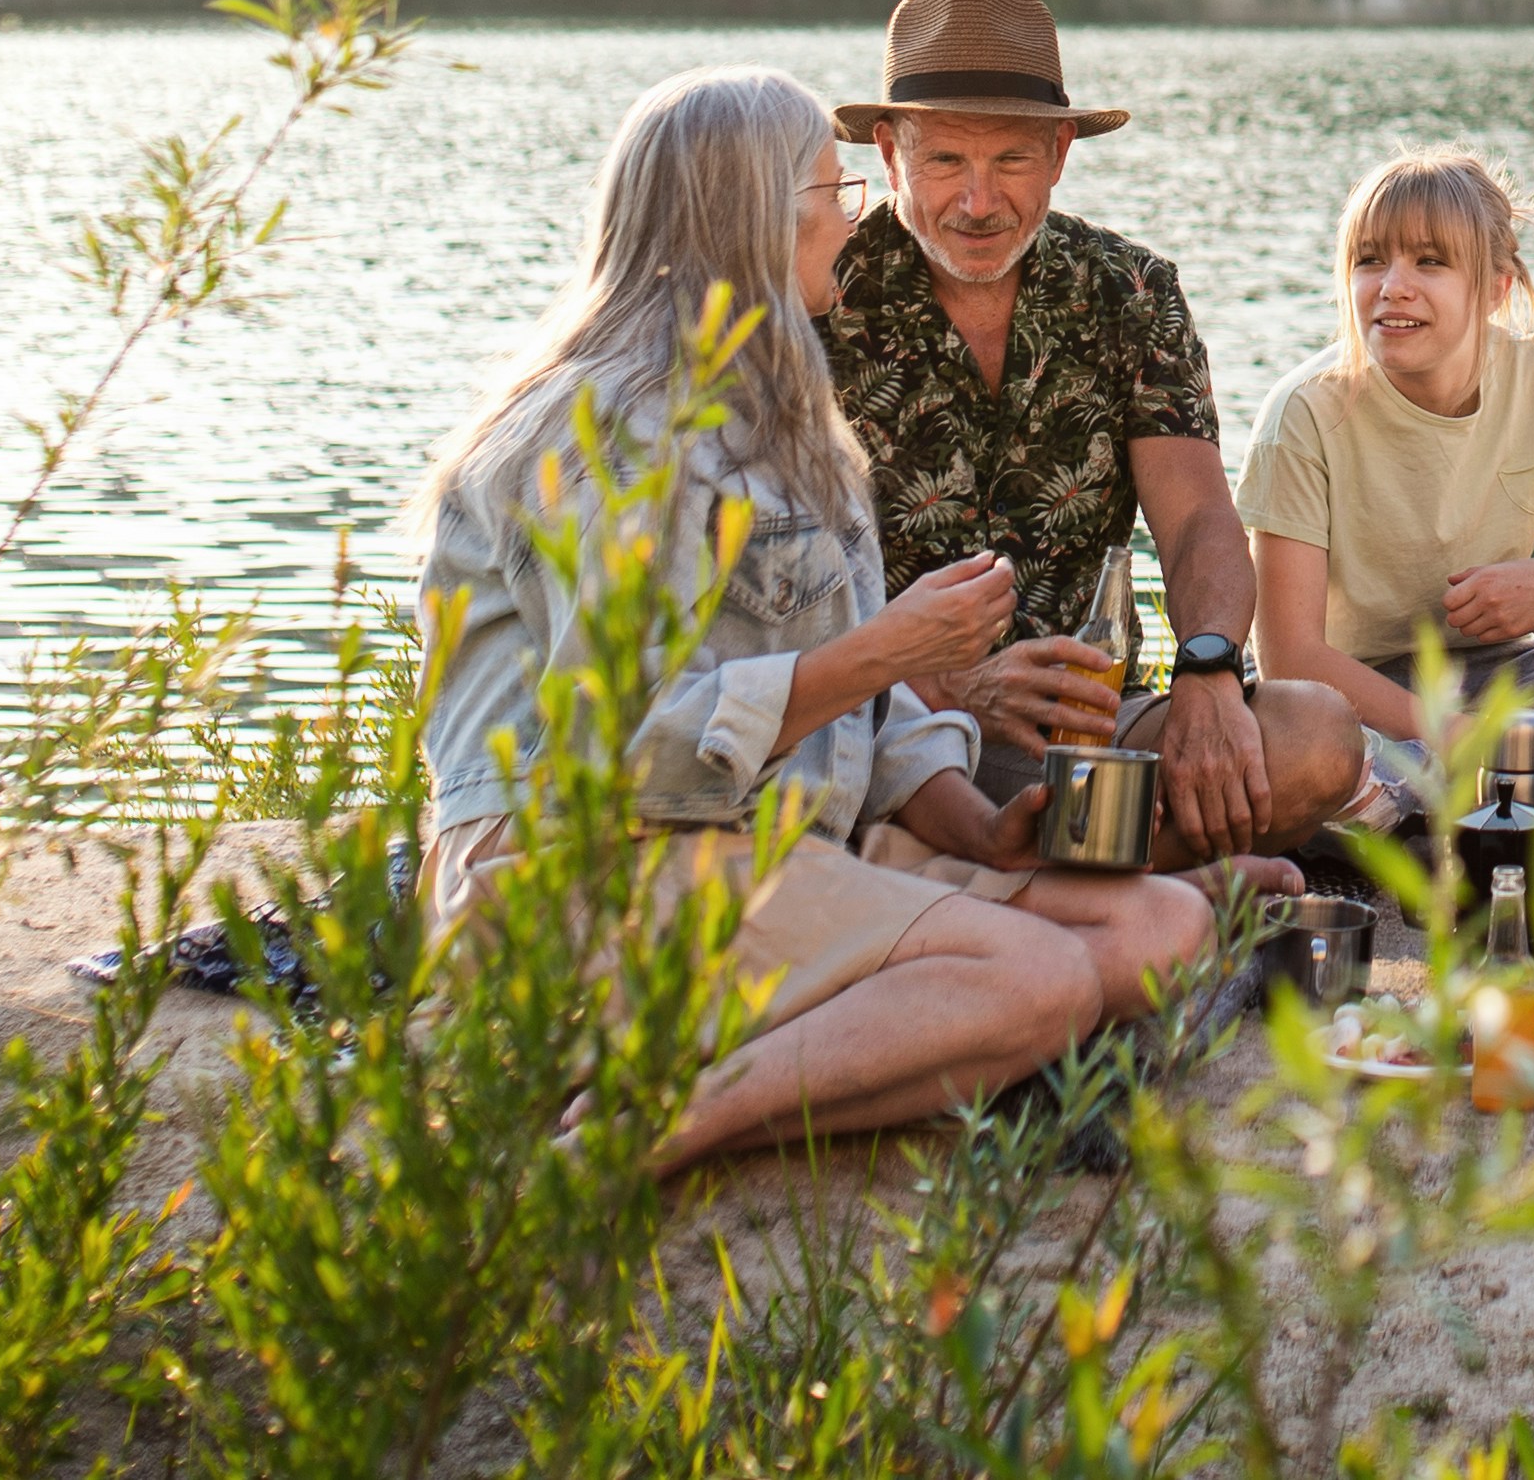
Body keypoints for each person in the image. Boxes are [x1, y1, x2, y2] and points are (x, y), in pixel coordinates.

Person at [414, 66, 1216, 1172]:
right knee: (1041, 980)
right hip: (589, 870)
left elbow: (862, 718)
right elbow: (624, 759)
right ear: (755, 217)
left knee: (1159, 929)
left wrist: (978, 828)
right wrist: (886, 651)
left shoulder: (790, 413)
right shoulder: (596, 432)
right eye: (834, 191)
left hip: (772, 839)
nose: (854, 218)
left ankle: (822, 1034)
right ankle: (658, 1125)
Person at [818, 0, 1366, 867]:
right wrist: (949, 684)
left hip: (1084, 729)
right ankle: (1096, 879)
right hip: (880, 724)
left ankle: (1043, 873)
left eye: (1012, 161)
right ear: (888, 153)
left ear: (1061, 153)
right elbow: (773, 611)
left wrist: (1211, 669)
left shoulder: (1130, 290)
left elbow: (1195, 519)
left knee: (1317, 738)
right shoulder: (817, 298)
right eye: (946, 161)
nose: (980, 202)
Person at [1243, 150, 1534, 827]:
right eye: (1369, 259)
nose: (1392, 286)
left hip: (1505, 681)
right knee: (1297, 751)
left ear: (1496, 287)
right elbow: (1289, 659)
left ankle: (1473, 804)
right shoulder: (1303, 414)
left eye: (1430, 262)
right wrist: (1454, 736)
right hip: (1355, 700)